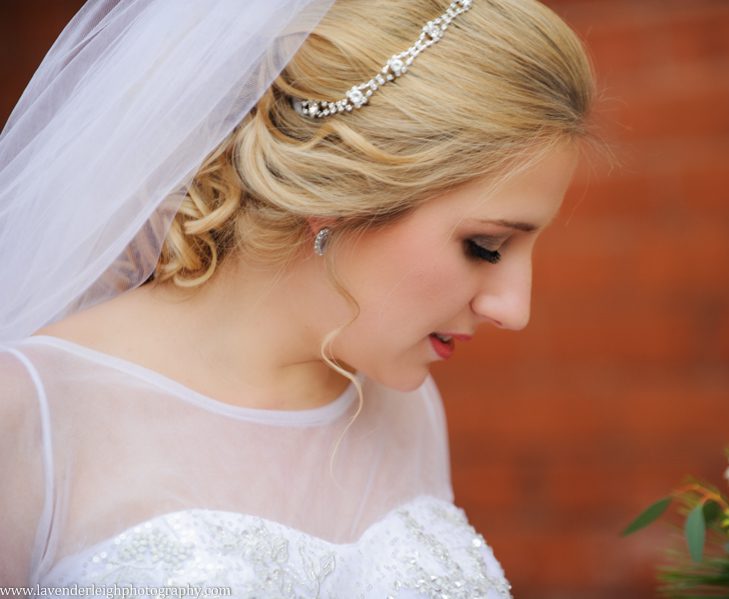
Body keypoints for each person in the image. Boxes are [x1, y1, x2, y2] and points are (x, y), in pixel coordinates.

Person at [0, 0, 598, 595]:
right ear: (341, 189)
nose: (514, 310)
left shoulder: (406, 408)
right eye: (485, 247)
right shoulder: (33, 411)